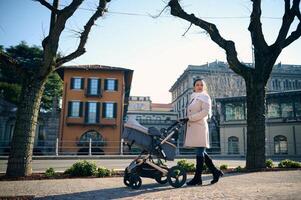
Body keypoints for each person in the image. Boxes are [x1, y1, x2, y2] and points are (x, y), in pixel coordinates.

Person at [179, 78, 223, 186]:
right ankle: (215, 172)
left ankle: (197, 178)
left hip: (200, 127)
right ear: (194, 87)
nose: (199, 86)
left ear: (204, 87)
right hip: (194, 127)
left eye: (201, 85)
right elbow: (192, 111)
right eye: (197, 85)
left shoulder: (205, 97)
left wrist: (190, 118)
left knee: (199, 152)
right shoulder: (193, 97)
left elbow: (205, 112)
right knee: (202, 152)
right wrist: (186, 118)